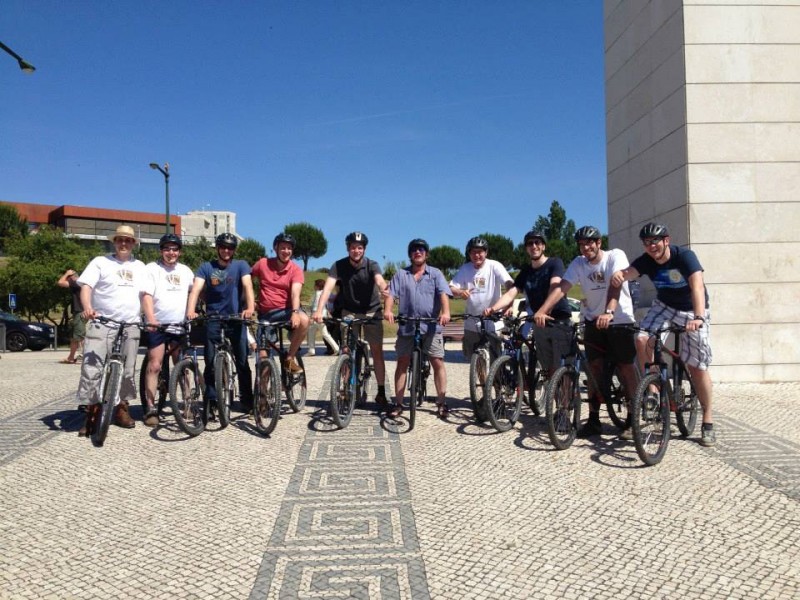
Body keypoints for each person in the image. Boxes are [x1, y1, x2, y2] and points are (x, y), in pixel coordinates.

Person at [610, 222, 716, 446]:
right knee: (642, 338)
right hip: (664, 306)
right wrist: (620, 275)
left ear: (666, 240)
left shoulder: (684, 257)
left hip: (692, 309)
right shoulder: (647, 260)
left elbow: (697, 286)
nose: (651, 246)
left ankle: (708, 419)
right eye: (647, 243)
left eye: (655, 241)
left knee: (697, 367)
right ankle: (653, 389)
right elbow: (629, 273)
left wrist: (698, 317)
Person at [533, 225, 639, 438]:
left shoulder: (614, 256)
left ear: (599, 243)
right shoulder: (579, 263)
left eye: (589, 243)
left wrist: (609, 311)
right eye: (581, 244)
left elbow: (615, 284)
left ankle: (632, 418)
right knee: (593, 369)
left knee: (626, 367)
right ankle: (593, 419)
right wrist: (542, 311)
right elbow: (562, 287)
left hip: (619, 320)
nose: (585, 247)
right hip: (592, 320)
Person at [75, 225, 147, 436]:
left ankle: (121, 409)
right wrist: (88, 307)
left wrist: (150, 317)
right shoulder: (100, 262)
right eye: (120, 240)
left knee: (127, 371)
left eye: (128, 240)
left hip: (130, 324)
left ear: (134, 244)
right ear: (114, 242)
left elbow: (146, 295)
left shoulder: (141, 266)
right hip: (102, 322)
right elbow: (86, 286)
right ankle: (92, 412)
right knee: (92, 369)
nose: (123, 243)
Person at [313, 232, 390, 409]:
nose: (356, 250)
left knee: (377, 351)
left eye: (360, 247)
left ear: (364, 249)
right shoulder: (338, 266)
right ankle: (346, 387)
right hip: (349, 312)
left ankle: (380, 392)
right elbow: (328, 288)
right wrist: (318, 310)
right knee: (347, 350)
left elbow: (380, 281)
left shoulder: (372, 265)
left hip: (372, 311)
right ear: (348, 248)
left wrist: (385, 289)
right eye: (353, 247)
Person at [486, 230, 573, 376]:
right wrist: (493, 308)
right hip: (539, 323)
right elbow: (511, 293)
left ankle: (568, 398)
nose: (534, 246)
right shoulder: (526, 271)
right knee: (547, 370)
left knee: (563, 371)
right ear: (526, 248)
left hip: (559, 321)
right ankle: (549, 397)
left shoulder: (554, 263)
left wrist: (544, 310)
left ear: (543, 246)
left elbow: (555, 286)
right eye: (530, 243)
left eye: (537, 242)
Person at [186, 232, 255, 412]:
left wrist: (250, 308)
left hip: (235, 318)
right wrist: (190, 311)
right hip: (213, 318)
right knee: (210, 362)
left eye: (230, 248)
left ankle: (248, 399)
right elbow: (196, 290)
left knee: (242, 362)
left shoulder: (241, 266)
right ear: (217, 248)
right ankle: (212, 400)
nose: (226, 250)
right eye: (223, 247)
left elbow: (248, 286)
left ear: (234, 250)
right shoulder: (206, 267)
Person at [384, 238, 452, 418]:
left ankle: (441, 402)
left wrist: (445, 312)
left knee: (437, 361)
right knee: (402, 362)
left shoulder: (436, 274)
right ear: (410, 255)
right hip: (407, 325)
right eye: (414, 250)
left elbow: (443, 294)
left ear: (426, 254)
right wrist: (388, 310)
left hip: (430, 326)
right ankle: (398, 403)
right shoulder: (400, 274)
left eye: (421, 250)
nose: (418, 252)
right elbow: (391, 294)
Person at [141, 233, 194, 427]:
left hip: (179, 325)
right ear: (161, 250)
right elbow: (146, 295)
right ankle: (150, 407)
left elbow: (195, 292)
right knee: (155, 364)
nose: (171, 253)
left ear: (179, 251)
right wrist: (151, 319)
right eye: (167, 249)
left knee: (182, 366)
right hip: (158, 324)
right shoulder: (152, 269)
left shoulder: (186, 271)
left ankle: (188, 403)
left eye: (174, 249)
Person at [250, 232, 309, 373]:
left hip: (287, 311)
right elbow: (247, 280)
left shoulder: (295, 270)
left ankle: (289, 358)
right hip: (266, 314)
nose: (286, 251)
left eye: (289, 248)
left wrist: (295, 312)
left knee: (305, 320)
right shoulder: (263, 264)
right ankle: (263, 392)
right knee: (263, 359)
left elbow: (295, 292)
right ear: (276, 248)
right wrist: (250, 301)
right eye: (282, 248)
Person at [449, 236, 513, 360]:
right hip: (472, 321)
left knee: (496, 359)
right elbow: (451, 287)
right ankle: (480, 379)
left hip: (493, 320)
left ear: (486, 252)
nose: (477, 255)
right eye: (473, 252)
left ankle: (497, 379)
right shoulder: (465, 268)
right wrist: (460, 292)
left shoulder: (494, 266)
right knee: (474, 359)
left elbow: (509, 284)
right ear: (469, 254)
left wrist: (508, 305)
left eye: (480, 252)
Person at [57, 268, 86, 364]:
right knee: (74, 337)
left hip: (80, 311)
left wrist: (66, 274)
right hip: (80, 311)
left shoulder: (76, 282)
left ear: (72, 277)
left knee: (80, 335)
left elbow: (60, 282)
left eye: (69, 278)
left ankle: (84, 356)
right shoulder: (82, 283)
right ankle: (71, 357)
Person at [306, 278, 339, 356]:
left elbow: (315, 306)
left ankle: (311, 350)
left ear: (317, 286)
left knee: (311, 332)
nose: (314, 286)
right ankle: (336, 348)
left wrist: (312, 316)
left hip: (316, 316)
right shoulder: (326, 293)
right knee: (325, 333)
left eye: (315, 285)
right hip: (323, 315)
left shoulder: (317, 293)